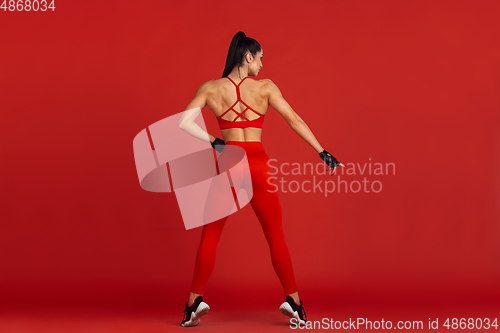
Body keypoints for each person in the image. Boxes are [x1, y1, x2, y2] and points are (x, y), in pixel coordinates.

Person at [178, 31, 345, 327]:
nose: (263, 65)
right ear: (248, 56)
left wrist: (216, 141)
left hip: (229, 163)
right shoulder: (265, 87)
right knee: (275, 235)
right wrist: (323, 152)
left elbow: (183, 123)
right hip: (257, 164)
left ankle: (194, 303)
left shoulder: (211, 88)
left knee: (211, 235)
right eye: (261, 57)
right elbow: (294, 119)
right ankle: (294, 302)